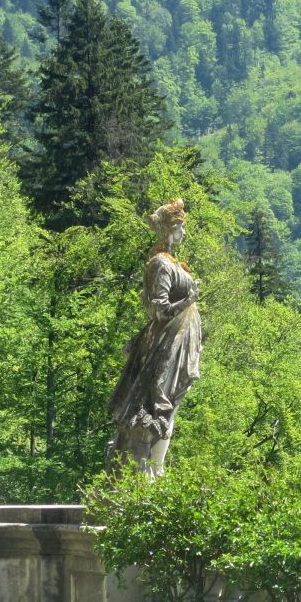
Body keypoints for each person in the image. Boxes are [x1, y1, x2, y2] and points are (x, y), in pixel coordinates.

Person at [109, 198, 203, 476]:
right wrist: (188, 300)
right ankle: (151, 469)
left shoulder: (172, 262)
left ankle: (156, 468)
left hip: (178, 342)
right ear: (171, 229)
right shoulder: (160, 264)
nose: (184, 233)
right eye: (181, 227)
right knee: (161, 406)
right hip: (166, 344)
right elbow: (158, 309)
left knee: (170, 405)